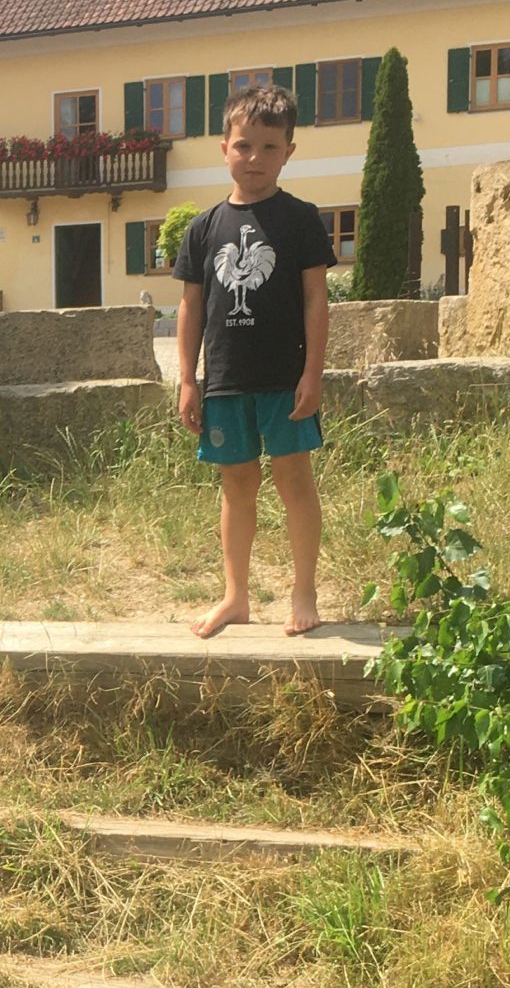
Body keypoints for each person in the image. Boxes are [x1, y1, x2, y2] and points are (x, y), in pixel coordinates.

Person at [170, 85, 334, 638]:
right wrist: (187, 380)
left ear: (289, 151)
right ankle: (235, 596)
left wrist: (312, 373)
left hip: (285, 380)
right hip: (225, 382)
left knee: (294, 482)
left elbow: (315, 299)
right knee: (236, 487)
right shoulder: (203, 227)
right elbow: (191, 307)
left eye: (269, 147)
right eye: (243, 145)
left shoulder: (302, 219)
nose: (255, 158)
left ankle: (304, 591)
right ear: (224, 149)